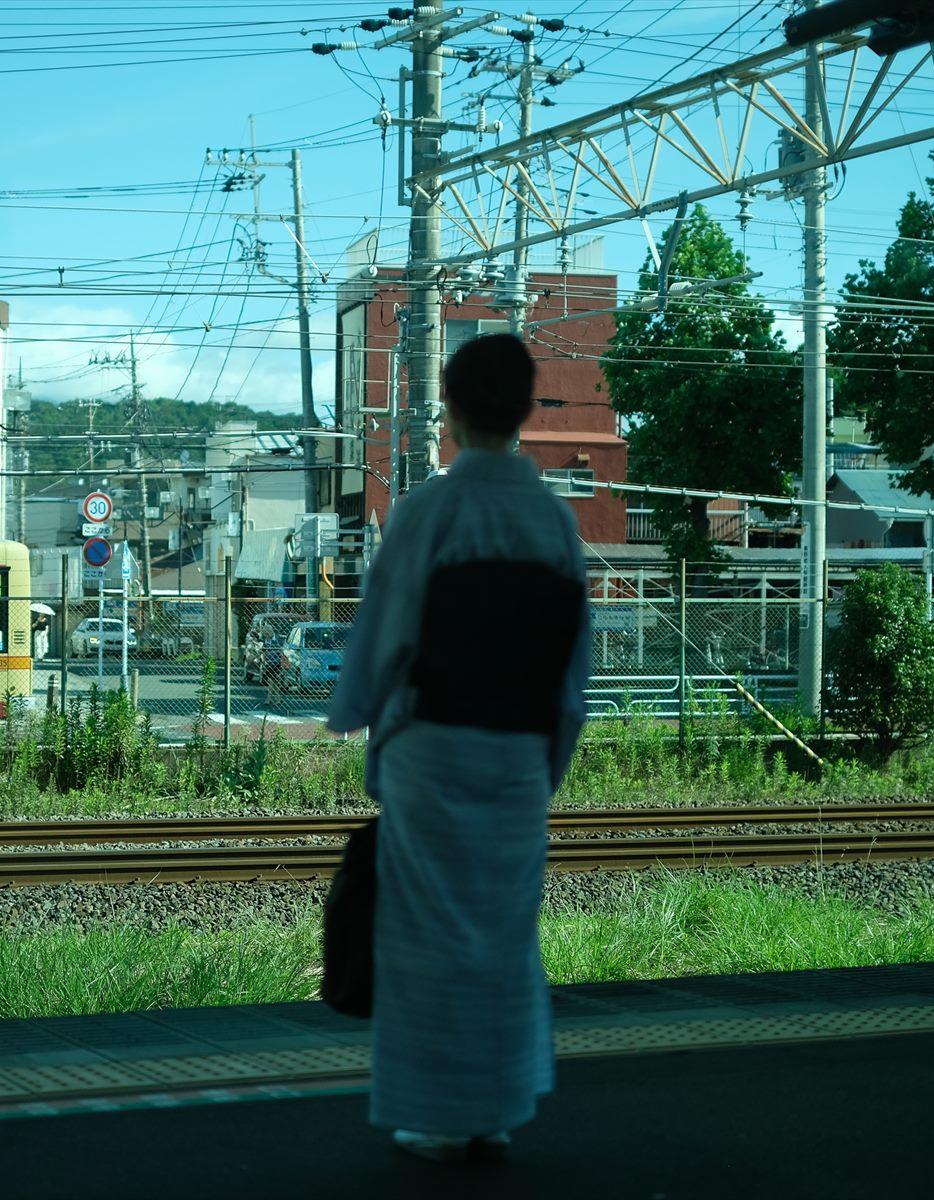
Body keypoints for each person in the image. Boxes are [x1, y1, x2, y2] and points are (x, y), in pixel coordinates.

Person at [327, 332, 591, 1164]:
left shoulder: (429, 510)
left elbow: (386, 633)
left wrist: (361, 717)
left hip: (432, 749)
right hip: (516, 753)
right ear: (525, 410)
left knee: (427, 939)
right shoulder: (552, 520)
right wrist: (548, 758)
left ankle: (434, 1113)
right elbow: (570, 670)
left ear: (448, 410)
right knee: (504, 936)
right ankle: (498, 1109)